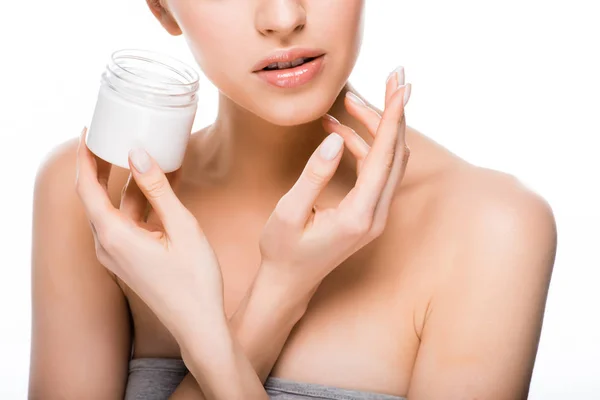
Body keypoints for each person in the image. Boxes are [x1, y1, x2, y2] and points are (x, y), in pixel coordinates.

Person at [29, 0, 558, 399]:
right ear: (162, 6)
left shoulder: (490, 229)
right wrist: (279, 291)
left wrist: (212, 340)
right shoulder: (96, 203)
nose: (283, 17)